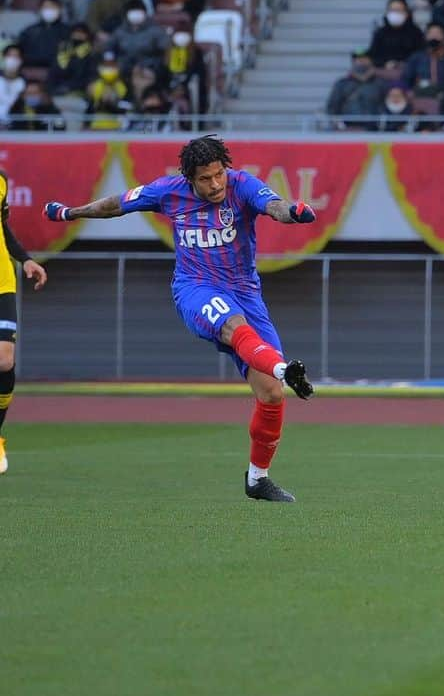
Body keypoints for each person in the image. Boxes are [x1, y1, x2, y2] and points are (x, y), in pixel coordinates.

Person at [44, 136, 318, 502]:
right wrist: (71, 212)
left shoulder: (242, 185)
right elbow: (116, 204)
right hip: (196, 288)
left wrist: (294, 212)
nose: (216, 184)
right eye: (205, 178)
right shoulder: (167, 191)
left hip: (245, 291)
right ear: (189, 178)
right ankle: (285, 370)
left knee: (269, 394)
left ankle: (257, 479)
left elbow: (274, 205)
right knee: (237, 327)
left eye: (219, 174)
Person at [0, 168, 48, 473]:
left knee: (4, 361)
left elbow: (2, 227)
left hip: (1, 281)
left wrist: (25, 258)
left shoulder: (1, 179)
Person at [402, 23, 444, 104]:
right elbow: (406, 78)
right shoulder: (417, 57)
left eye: (438, 34)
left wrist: (442, 88)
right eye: (431, 33)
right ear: (426, 36)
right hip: (420, 95)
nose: (434, 36)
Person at [325, 49, 387, 126]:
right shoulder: (342, 84)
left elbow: (386, 107)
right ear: (353, 62)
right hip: (348, 130)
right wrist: (337, 125)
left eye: (365, 59)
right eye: (358, 59)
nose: (361, 61)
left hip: (373, 131)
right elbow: (332, 107)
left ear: (371, 61)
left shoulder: (380, 84)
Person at [111, 0, 168, 73]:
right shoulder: (120, 31)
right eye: (133, 13)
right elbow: (109, 48)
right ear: (126, 14)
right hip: (125, 68)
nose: (136, 16)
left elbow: (166, 48)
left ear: (145, 13)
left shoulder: (155, 30)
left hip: (150, 68)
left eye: (139, 13)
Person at [369, 0, 425, 69]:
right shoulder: (380, 33)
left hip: (410, 73)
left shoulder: (416, 33)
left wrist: (404, 64)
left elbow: (421, 55)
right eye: (392, 10)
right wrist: (385, 64)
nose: (395, 13)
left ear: (406, 13)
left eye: (398, 10)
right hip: (384, 74)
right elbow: (373, 57)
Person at [17, 0, 67, 72]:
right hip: (30, 70)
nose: (49, 10)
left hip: (58, 73)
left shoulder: (67, 32)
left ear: (59, 9)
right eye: (46, 7)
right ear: (40, 9)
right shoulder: (29, 31)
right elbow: (19, 52)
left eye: (52, 7)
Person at [0, 46, 26, 123]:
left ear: (21, 60)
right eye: (9, 56)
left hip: (15, 126)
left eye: (15, 56)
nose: (12, 59)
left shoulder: (25, 83)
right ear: (3, 58)